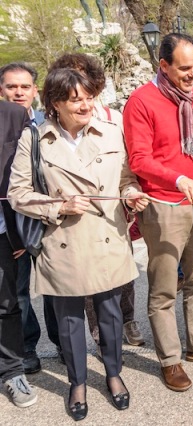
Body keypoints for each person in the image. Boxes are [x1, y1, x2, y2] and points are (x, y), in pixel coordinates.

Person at [9, 67, 149, 420]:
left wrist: (132, 194)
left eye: (89, 97)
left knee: (111, 314)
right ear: (55, 103)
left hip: (107, 236)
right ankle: (78, 382)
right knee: (69, 320)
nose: (86, 105)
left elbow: (126, 178)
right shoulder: (34, 139)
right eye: (75, 100)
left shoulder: (112, 131)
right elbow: (17, 193)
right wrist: (59, 206)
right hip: (62, 240)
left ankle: (114, 374)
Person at [123, 33, 193, 392]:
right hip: (163, 205)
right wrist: (178, 179)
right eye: (185, 68)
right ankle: (170, 360)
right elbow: (139, 159)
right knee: (164, 288)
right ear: (164, 65)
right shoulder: (141, 101)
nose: (192, 74)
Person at [47, 53, 145, 349]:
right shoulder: (51, 124)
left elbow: (126, 170)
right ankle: (99, 333)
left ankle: (127, 319)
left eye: (84, 76)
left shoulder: (112, 117)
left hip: (111, 214)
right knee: (88, 283)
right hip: (75, 218)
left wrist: (130, 196)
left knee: (121, 273)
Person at [0, 62, 60, 373]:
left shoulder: (49, 124)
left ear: (35, 90)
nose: (19, 92)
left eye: (25, 86)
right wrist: (13, 231)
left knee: (56, 288)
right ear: (1, 90)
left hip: (49, 221)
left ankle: (63, 343)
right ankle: (27, 348)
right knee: (19, 291)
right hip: (12, 225)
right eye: (11, 86)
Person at [0, 100, 38, 409]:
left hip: (3, 232)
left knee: (7, 303)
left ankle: (12, 372)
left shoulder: (13, 115)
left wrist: (25, 230)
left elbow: (34, 174)